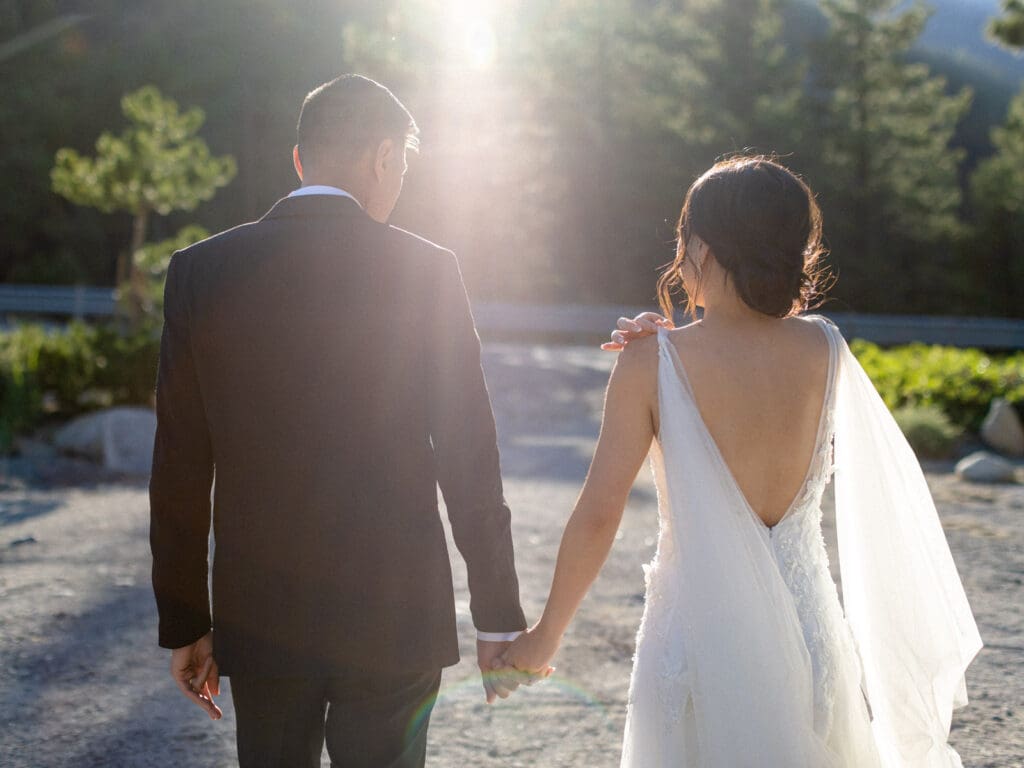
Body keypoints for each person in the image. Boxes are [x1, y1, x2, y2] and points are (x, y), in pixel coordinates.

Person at [500, 155, 982, 766]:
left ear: (701, 244)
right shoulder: (825, 348)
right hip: (813, 637)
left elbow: (600, 513)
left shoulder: (650, 362)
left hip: (701, 642)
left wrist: (545, 637)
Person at [149, 74, 532, 768]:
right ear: (384, 157)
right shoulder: (429, 271)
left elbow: (179, 464)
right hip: (395, 613)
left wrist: (185, 620)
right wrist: (496, 613)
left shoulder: (201, 271)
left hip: (261, 613)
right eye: (405, 168)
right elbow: (470, 458)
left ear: (299, 161)